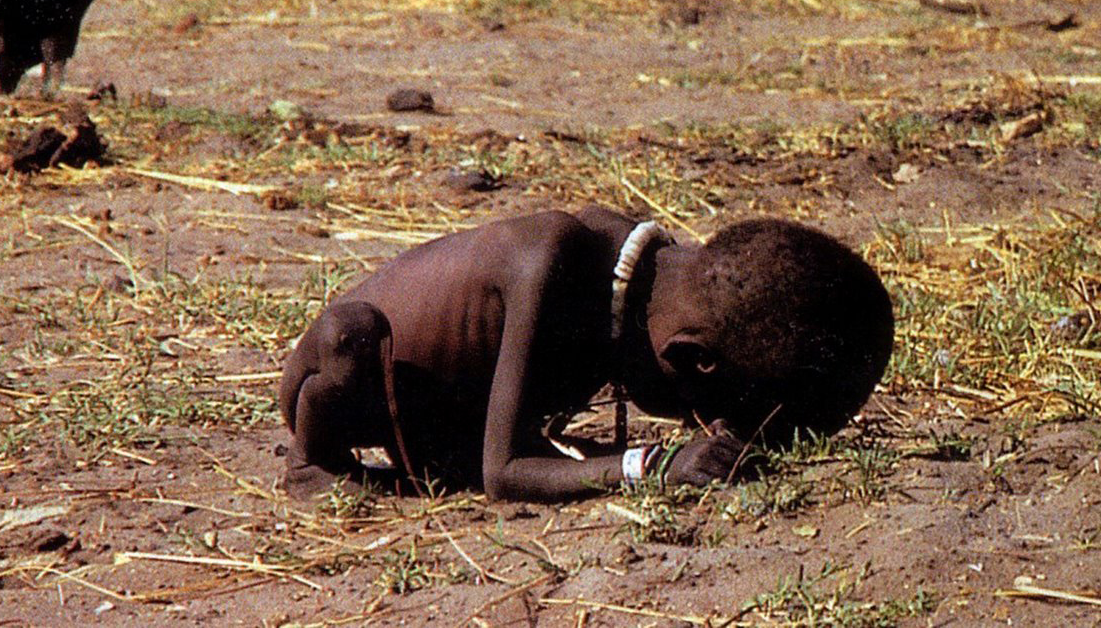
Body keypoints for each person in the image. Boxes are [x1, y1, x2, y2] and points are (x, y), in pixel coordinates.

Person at [277, 207, 894, 501]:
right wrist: (652, 465)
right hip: (346, 380)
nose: (702, 427)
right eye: (705, 413)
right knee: (348, 339)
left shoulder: (639, 280)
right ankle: (313, 465)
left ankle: (432, 459)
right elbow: (504, 473)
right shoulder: (551, 265)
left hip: (444, 417)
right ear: (690, 359)